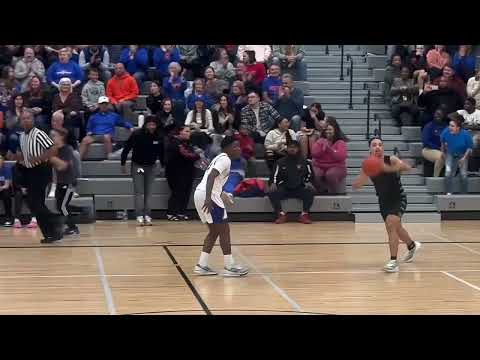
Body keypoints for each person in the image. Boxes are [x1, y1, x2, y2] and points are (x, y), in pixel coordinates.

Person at [352, 137, 421, 273]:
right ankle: (412, 246)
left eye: (380, 144)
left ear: (383, 148)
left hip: (398, 198)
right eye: (374, 145)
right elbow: (358, 184)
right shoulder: (368, 165)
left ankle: (393, 261)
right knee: (397, 228)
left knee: (391, 225)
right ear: (370, 149)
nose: (377, 147)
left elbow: (407, 167)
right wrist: (358, 182)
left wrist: (386, 168)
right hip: (383, 201)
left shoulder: (392, 159)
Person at [193, 135, 249, 276]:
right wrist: (208, 198)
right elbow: (211, 176)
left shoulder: (220, 158)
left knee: (214, 232)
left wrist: (224, 195)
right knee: (224, 231)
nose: (239, 149)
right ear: (227, 148)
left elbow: (216, 181)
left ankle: (202, 265)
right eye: (235, 146)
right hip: (208, 195)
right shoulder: (225, 159)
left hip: (201, 193)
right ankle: (230, 266)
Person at [16, 109, 63, 243]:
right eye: (23, 119)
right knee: (35, 204)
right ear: (20, 121)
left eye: (28, 118)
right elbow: (24, 155)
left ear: (33, 120)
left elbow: (53, 149)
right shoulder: (22, 136)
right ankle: (50, 233)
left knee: (35, 203)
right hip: (30, 172)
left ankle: (55, 222)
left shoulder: (38, 134)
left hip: (41, 170)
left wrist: (39, 158)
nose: (26, 121)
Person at [121, 116, 164, 226]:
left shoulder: (159, 136)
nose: (152, 126)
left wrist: (162, 165)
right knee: (139, 192)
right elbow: (126, 149)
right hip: (138, 166)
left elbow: (161, 152)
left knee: (149, 192)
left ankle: (147, 215)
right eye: (149, 124)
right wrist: (123, 163)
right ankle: (139, 215)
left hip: (151, 167)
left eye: (154, 124)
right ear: (145, 124)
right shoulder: (137, 134)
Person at [267, 140, 314, 224]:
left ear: (298, 149)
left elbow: (310, 174)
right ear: (287, 148)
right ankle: (281, 214)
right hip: (284, 187)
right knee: (272, 192)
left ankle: (304, 215)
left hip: (299, 187)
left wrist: (308, 181)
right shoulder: (280, 162)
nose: (292, 149)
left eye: (294, 147)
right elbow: (274, 175)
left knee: (310, 191)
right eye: (290, 147)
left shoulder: (304, 161)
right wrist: (273, 183)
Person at [49, 129, 80, 236]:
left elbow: (63, 166)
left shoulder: (67, 149)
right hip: (60, 182)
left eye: (54, 135)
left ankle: (73, 227)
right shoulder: (54, 150)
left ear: (61, 137)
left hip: (69, 182)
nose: (52, 138)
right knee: (59, 206)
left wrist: (51, 158)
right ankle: (80, 211)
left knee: (63, 206)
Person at [165, 126, 200, 221]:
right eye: (187, 131)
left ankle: (181, 212)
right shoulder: (175, 143)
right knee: (177, 192)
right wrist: (197, 155)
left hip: (188, 171)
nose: (189, 133)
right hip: (176, 172)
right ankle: (171, 213)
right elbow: (187, 155)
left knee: (186, 192)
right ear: (179, 133)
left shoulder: (188, 143)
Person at [310, 116, 348, 194]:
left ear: (335, 130)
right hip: (319, 165)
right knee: (315, 174)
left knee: (330, 174)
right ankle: (322, 191)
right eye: (326, 130)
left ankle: (334, 193)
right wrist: (322, 149)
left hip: (337, 166)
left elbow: (340, 157)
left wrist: (329, 149)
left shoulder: (340, 142)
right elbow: (314, 154)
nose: (328, 131)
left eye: (330, 129)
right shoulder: (320, 141)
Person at [441, 116, 473, 195]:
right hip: (450, 153)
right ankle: (449, 192)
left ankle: (464, 193)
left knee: (463, 175)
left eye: (452, 126)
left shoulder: (466, 134)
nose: (449, 127)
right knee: (448, 172)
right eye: (449, 125)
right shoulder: (446, 132)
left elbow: (469, 148)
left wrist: (464, 158)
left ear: (458, 127)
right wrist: (443, 153)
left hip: (462, 154)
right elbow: (442, 142)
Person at [422, 108, 448, 177]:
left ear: (443, 116)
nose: (437, 115)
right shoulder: (429, 126)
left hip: (443, 149)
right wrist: (438, 148)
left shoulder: (446, 126)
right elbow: (426, 141)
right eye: (436, 114)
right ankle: (435, 178)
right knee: (441, 157)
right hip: (428, 149)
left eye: (440, 114)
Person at [0, 154, 13, 226]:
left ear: (3, 161)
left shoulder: (7, 168)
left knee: (6, 195)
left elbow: (7, 185)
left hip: (4, 189)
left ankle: (8, 218)